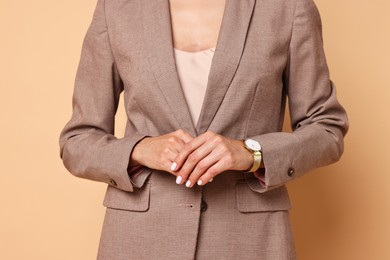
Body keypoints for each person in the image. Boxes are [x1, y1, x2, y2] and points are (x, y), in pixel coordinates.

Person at [59, 0, 349, 259]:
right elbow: (77, 141)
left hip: (248, 238)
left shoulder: (287, 8)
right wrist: (140, 149)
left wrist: (251, 152)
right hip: (139, 238)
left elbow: (326, 129)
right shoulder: (117, 9)